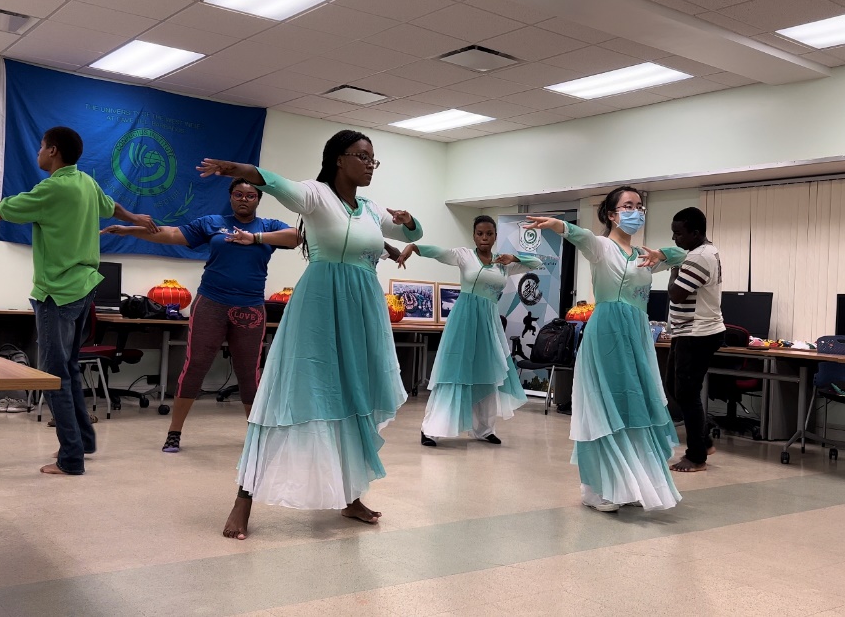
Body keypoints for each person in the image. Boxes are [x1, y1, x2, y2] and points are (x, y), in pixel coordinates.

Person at [196, 130, 422, 538]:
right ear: (339, 158)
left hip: (364, 312)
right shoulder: (316, 195)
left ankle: (350, 497)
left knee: (355, 398)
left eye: (374, 159)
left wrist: (409, 222)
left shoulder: (371, 209)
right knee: (284, 397)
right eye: (363, 156)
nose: (371, 164)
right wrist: (238, 169)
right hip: (319, 309)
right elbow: (276, 182)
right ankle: (243, 500)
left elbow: (410, 236)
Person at [0, 126, 157, 475]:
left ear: (52, 151)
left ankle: (71, 458)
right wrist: (136, 218)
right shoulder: (86, 183)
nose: (37, 152)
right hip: (84, 289)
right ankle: (85, 440)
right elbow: (113, 207)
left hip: (57, 293)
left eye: (40, 147)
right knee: (69, 368)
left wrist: (7, 204)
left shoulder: (51, 188)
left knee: (53, 375)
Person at [101, 179, 302, 453]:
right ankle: (174, 432)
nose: (244, 199)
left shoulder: (268, 227)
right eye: (239, 194)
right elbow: (170, 234)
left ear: (258, 199)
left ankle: (255, 438)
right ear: (230, 197)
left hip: (250, 309)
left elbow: (296, 236)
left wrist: (255, 238)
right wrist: (132, 230)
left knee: (249, 373)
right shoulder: (212, 222)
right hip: (211, 304)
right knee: (195, 367)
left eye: (251, 195)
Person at [524, 186, 685, 512]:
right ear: (612, 214)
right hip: (607, 336)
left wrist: (662, 255)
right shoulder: (602, 247)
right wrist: (557, 224)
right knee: (605, 408)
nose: (636, 211)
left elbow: (683, 255)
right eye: (627, 206)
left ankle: (630, 484)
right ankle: (596, 489)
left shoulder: (643, 256)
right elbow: (579, 235)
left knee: (633, 408)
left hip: (637, 338)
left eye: (639, 206)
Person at [396, 215, 542, 447]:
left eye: (489, 234)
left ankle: (484, 429)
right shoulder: (464, 255)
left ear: (496, 236)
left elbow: (536, 263)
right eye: (480, 234)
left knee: (487, 373)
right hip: (464, 319)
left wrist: (513, 257)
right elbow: (439, 252)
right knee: (454, 372)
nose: (484, 238)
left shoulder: (504, 263)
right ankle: (431, 429)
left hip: (489, 323)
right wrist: (414, 247)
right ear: (474, 235)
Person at [666, 206, 724, 473]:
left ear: (696, 233)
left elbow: (675, 295)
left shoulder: (698, 258)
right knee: (675, 388)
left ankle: (696, 455)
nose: (675, 239)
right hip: (686, 332)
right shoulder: (703, 252)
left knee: (687, 394)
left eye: (679, 234)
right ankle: (705, 441)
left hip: (697, 333)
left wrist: (673, 267)